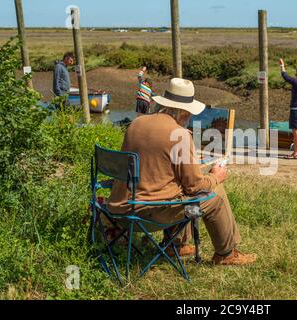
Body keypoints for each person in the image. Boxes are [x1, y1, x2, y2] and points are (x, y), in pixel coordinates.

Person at [107, 78, 256, 266]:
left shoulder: (136, 124)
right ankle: (226, 254)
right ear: (185, 112)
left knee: (175, 187)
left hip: (122, 209)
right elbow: (194, 186)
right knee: (215, 196)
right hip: (151, 214)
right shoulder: (181, 135)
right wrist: (215, 177)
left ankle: (176, 245)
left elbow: (153, 168)